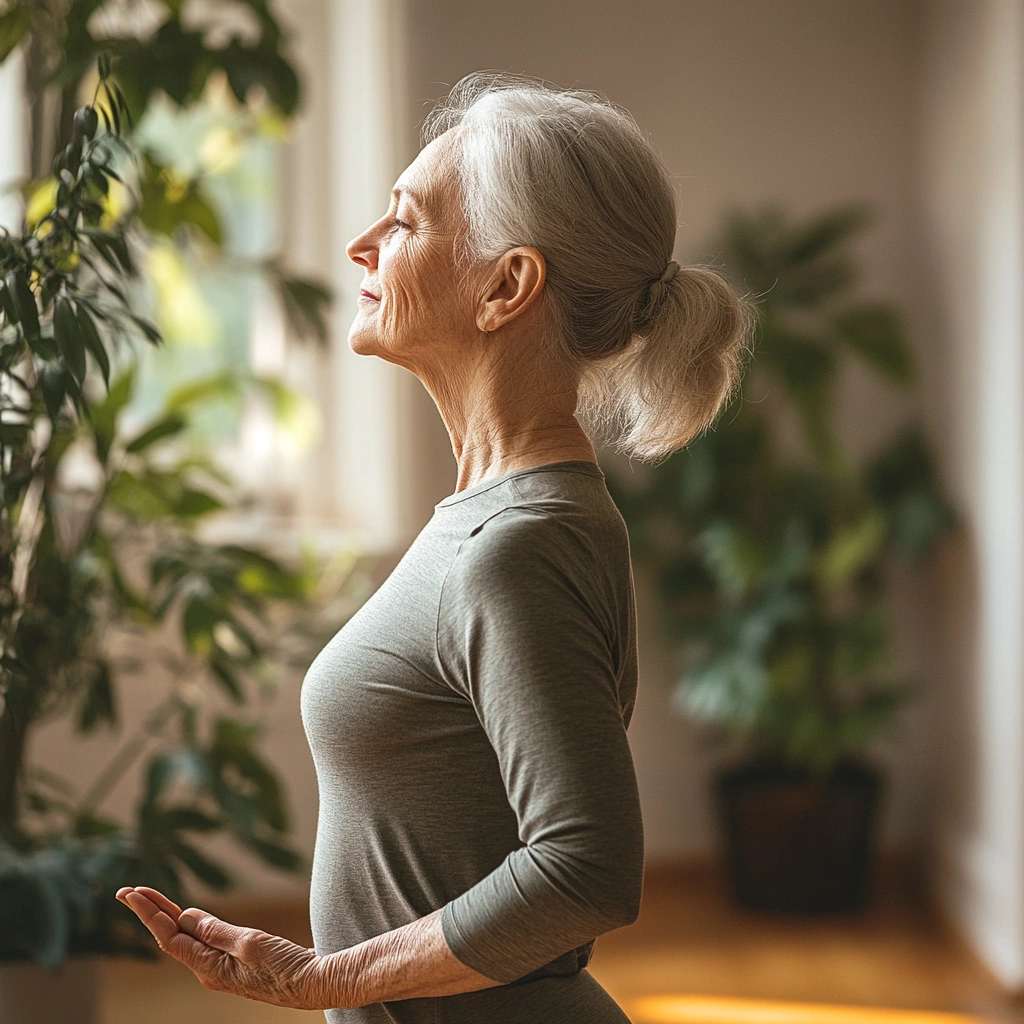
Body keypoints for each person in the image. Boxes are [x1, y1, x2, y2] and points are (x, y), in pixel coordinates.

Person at [116, 71, 751, 1023]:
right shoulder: (498, 513)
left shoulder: (518, 546)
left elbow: (587, 868)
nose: (361, 243)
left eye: (406, 221)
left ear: (507, 286)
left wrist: (323, 979)